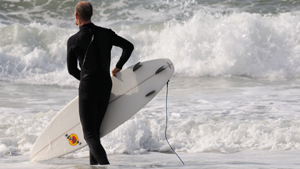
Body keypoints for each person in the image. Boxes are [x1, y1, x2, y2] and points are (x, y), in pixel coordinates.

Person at [66, 1, 134, 165]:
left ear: (76, 15)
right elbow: (128, 47)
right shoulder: (106, 33)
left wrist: (85, 81)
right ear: (91, 14)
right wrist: (118, 66)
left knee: (89, 135)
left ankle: (104, 166)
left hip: (88, 88)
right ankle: (94, 166)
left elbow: (71, 70)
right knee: (95, 133)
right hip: (105, 85)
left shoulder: (73, 40)